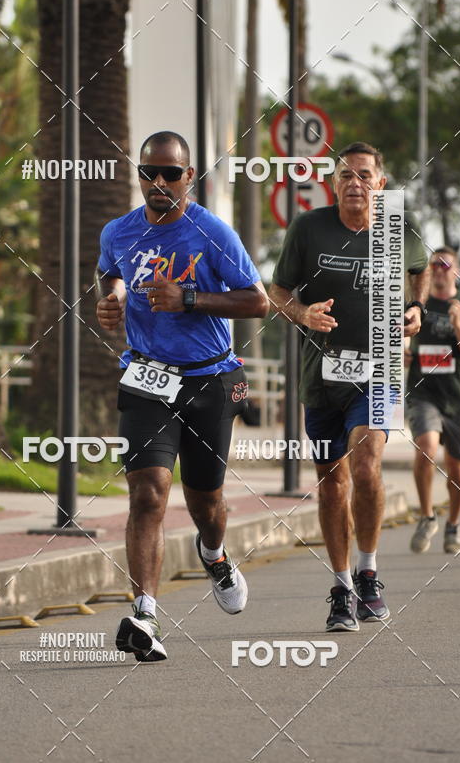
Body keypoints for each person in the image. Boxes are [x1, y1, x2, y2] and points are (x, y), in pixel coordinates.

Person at [95, 131, 269, 662]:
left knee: (206, 503)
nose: (159, 182)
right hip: (146, 377)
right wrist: (111, 299)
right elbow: (109, 272)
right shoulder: (119, 231)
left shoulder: (212, 233)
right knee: (148, 494)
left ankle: (213, 554)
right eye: (149, 172)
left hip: (209, 380)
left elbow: (258, 302)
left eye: (171, 173)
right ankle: (145, 615)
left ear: (189, 177)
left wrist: (188, 298)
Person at [269, 142, 429, 632]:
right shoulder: (308, 228)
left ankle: (369, 572)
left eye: (363, 175)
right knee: (331, 481)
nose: (354, 183)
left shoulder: (398, 228)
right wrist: (303, 314)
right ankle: (341, 587)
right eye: (345, 175)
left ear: (380, 183)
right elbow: (277, 291)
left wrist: (417, 307)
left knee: (365, 461)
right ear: (332, 183)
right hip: (322, 378)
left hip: (380, 371)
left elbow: (420, 270)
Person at [406, 246, 460, 555]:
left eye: (445, 265)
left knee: (456, 467)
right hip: (423, 393)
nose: (438, 269)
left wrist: (458, 324)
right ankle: (427, 516)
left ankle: (453, 524)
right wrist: (403, 354)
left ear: (455, 271)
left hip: (458, 397)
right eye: (434, 264)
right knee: (426, 448)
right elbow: (400, 339)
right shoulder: (418, 303)